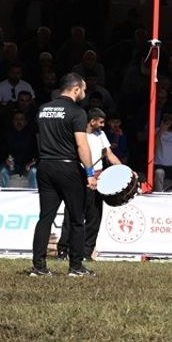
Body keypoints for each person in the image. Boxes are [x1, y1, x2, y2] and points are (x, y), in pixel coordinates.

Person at [30, 73, 96, 277]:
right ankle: (76, 267)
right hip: (68, 167)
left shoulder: (43, 109)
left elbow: (38, 138)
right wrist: (90, 172)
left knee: (45, 217)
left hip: (45, 166)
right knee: (77, 218)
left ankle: (39, 267)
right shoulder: (77, 112)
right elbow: (81, 144)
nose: (84, 94)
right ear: (76, 89)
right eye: (83, 90)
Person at [59, 108, 122, 261]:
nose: (102, 125)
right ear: (92, 121)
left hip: (99, 180)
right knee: (72, 215)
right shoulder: (77, 133)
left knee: (95, 217)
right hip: (79, 178)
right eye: (100, 122)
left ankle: (86, 252)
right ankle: (63, 250)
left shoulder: (100, 134)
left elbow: (109, 155)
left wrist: (123, 170)